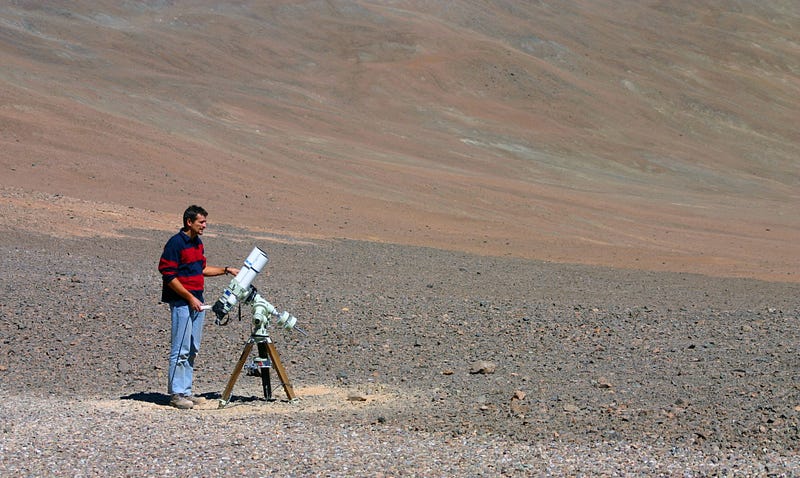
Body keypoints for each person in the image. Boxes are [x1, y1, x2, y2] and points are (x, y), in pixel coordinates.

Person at [158, 205, 239, 409]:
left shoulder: (197, 244)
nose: (204, 225)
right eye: (201, 222)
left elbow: (201, 268)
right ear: (189, 222)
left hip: (197, 301)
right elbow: (168, 275)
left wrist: (226, 270)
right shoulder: (176, 243)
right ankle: (176, 394)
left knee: (193, 347)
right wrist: (188, 297)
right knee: (181, 347)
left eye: (205, 222)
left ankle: (186, 391)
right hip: (182, 302)